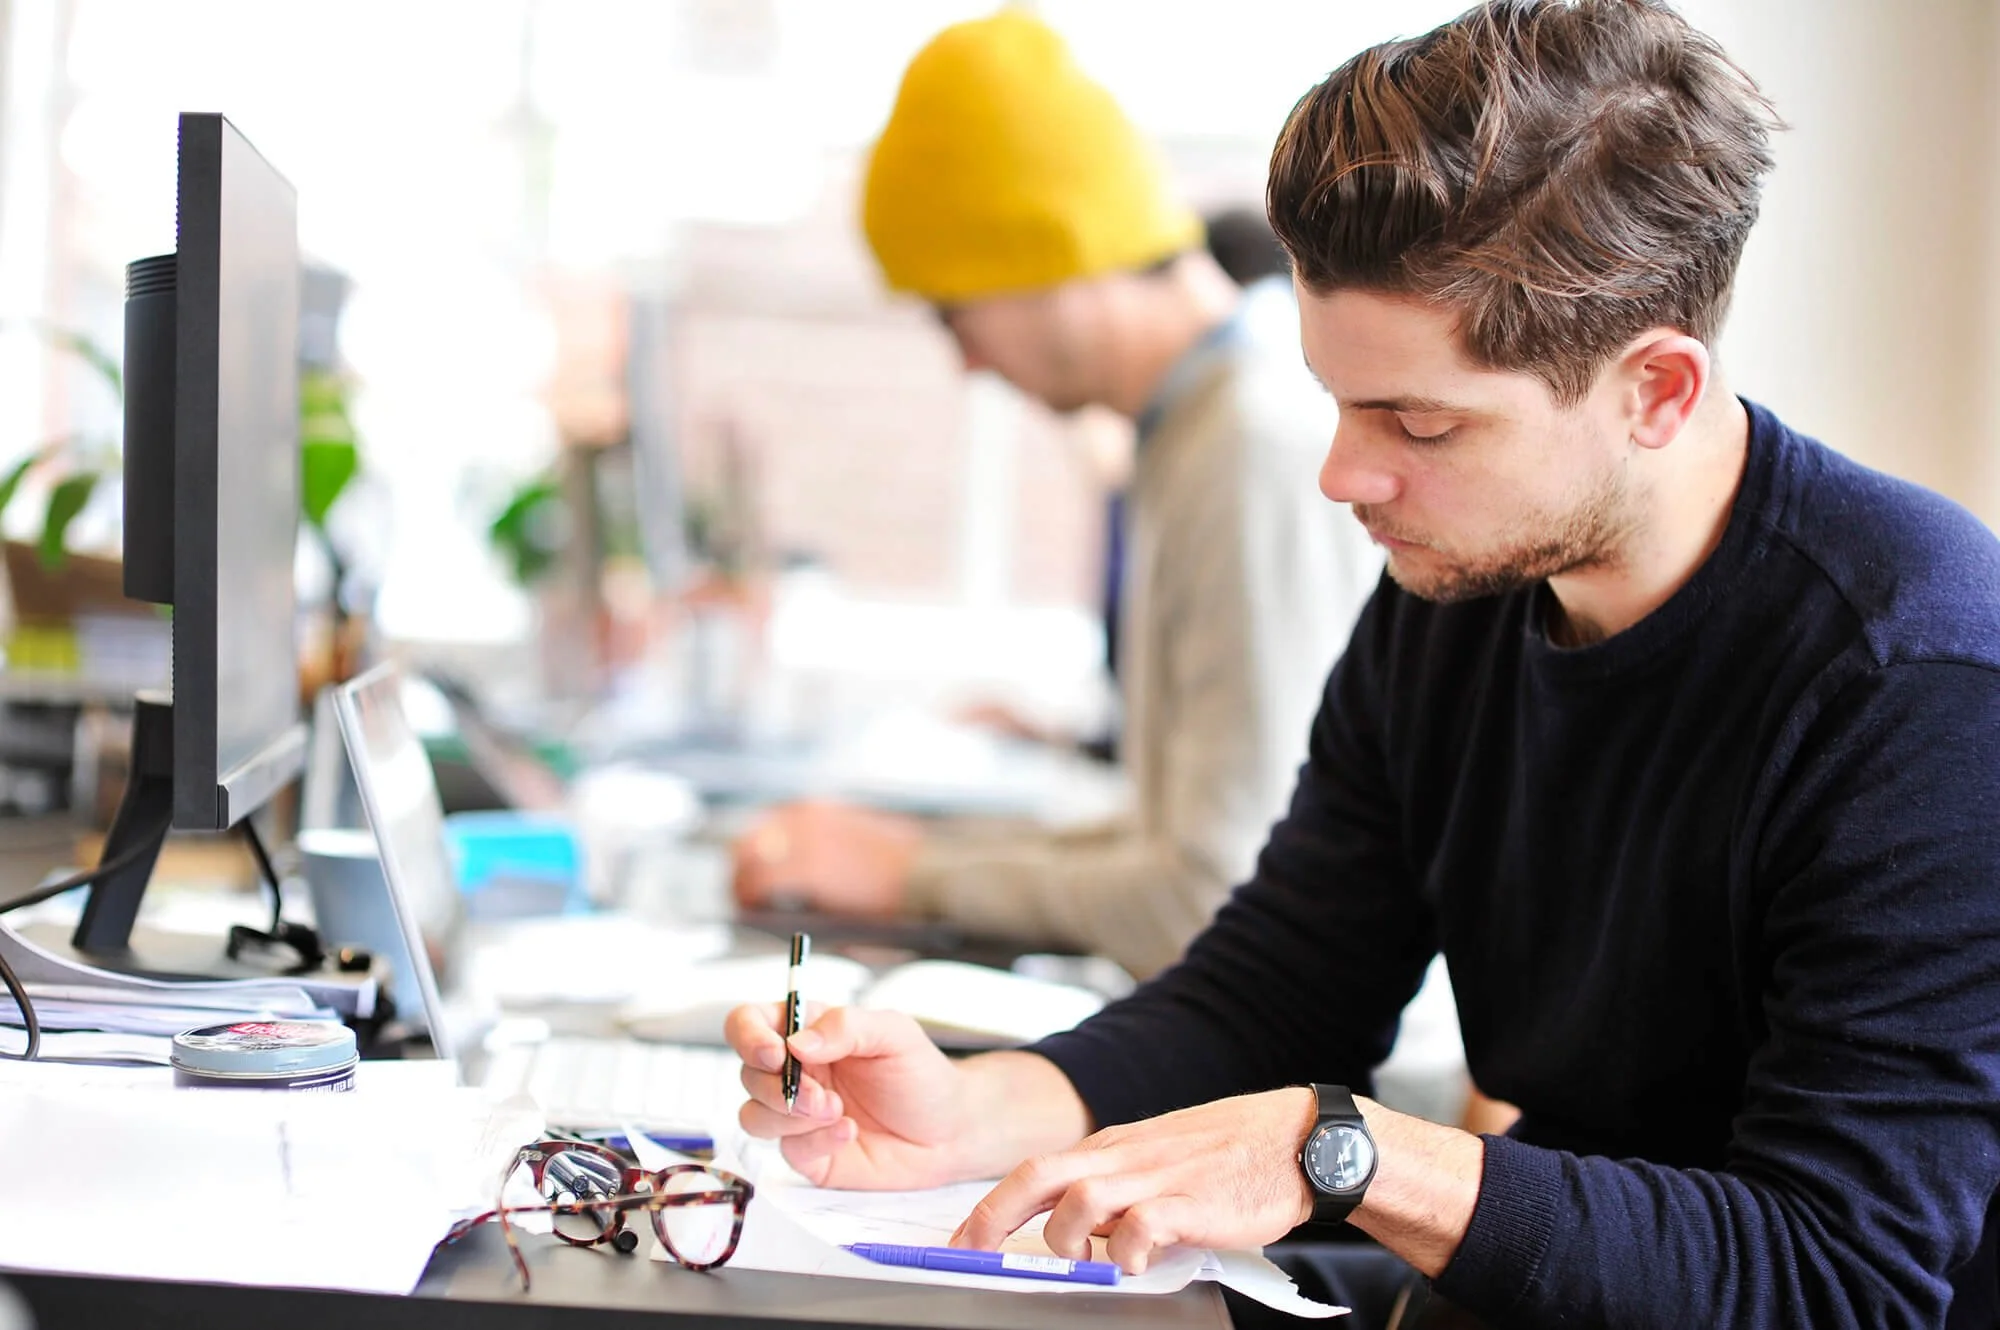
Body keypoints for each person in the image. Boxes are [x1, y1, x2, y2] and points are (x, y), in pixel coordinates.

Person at [722, 2, 2000, 1326]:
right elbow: (1283, 982)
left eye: (1420, 421)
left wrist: (1346, 1149)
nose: (1345, 475)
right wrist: (978, 1105)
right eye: (1338, 400)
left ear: (1657, 391)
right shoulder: (1464, 583)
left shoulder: (1918, 676)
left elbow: (1839, 1274)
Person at [731, 10, 1381, 981]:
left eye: (954, 310)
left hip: (1337, 1085)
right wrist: (909, 851)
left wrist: (914, 874)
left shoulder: (1248, 440)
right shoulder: (1192, 426)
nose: (964, 361)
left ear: (1046, 253)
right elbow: (1182, 834)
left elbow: (1211, 892)